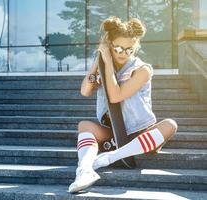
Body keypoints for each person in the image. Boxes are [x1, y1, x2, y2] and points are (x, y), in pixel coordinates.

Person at [68, 16, 178, 193]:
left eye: (129, 49)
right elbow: (85, 91)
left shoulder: (142, 70)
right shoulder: (104, 64)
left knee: (170, 125)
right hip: (115, 131)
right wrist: (98, 62)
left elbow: (115, 96)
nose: (122, 53)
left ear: (135, 48)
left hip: (140, 132)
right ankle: (85, 170)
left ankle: (110, 157)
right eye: (118, 47)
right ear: (109, 45)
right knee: (84, 126)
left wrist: (108, 64)